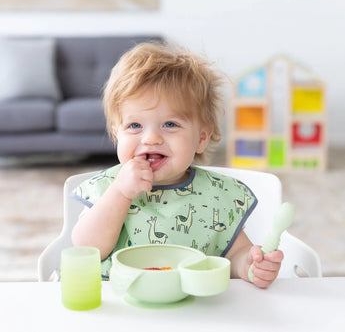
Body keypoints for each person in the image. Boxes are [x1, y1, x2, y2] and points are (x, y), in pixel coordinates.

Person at [71, 41, 283, 288]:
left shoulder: (218, 196)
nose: (151, 138)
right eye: (135, 125)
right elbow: (86, 248)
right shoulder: (108, 188)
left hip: (191, 306)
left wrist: (249, 264)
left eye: (170, 124)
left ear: (201, 139)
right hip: (120, 303)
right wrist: (120, 192)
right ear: (117, 134)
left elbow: (234, 254)